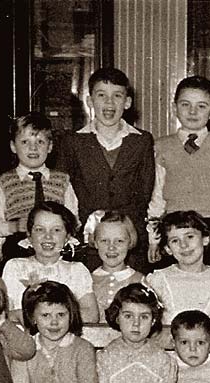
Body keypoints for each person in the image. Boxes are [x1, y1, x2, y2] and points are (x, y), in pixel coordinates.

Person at [53, 67, 156, 268]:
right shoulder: (73, 141)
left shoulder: (142, 141)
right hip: (88, 237)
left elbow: (146, 190)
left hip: (129, 238)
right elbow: (64, 190)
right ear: (90, 101)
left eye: (117, 96)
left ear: (127, 102)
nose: (109, 102)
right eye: (102, 95)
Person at [148, 76, 210, 271]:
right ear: (174, 108)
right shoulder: (162, 146)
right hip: (175, 227)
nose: (192, 112)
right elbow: (157, 193)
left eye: (201, 106)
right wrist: (153, 237)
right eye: (185, 105)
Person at [12, 281, 98, 383]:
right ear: (33, 318)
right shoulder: (23, 350)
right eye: (45, 315)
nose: (54, 322)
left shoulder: (83, 349)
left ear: (71, 315)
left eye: (61, 315)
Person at [0, 112, 79, 258]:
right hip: (19, 249)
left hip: (55, 248)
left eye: (40, 142)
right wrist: (13, 226)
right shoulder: (3, 182)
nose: (33, 148)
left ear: (49, 147)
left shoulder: (62, 180)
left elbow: (73, 217)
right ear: (13, 146)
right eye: (25, 142)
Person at [1, 201, 99, 323]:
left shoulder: (76, 270)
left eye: (56, 230)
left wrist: (47, 318)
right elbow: (3, 314)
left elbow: (91, 315)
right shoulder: (15, 267)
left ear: (67, 237)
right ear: (29, 235)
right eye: (39, 229)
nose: (48, 236)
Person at [145, 210, 210, 325]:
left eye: (189, 236)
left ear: (205, 239)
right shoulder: (157, 280)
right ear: (168, 249)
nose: (183, 245)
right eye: (175, 241)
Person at [88, 211, 144, 321]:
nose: (111, 247)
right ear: (95, 242)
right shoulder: (86, 280)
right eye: (104, 241)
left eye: (119, 241)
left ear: (130, 242)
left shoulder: (140, 281)